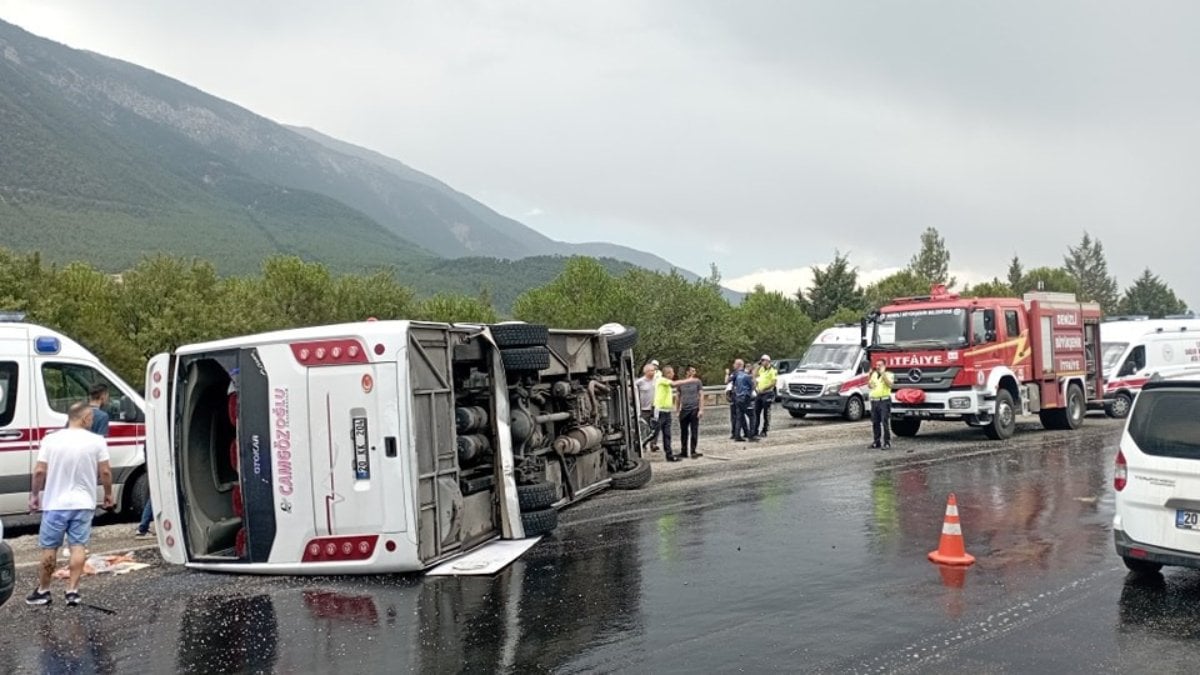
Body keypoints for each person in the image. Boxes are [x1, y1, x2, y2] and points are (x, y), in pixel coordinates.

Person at [27, 401, 113, 607]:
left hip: (55, 504)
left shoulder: (50, 440)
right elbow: (106, 472)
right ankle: (72, 591)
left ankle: (44, 591)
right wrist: (108, 494)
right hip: (83, 503)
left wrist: (34, 495)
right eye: (91, 418)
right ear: (84, 418)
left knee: (49, 548)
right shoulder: (97, 441)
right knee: (78, 546)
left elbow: (39, 471)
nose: (93, 421)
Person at [676, 366, 705, 459]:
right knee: (683, 432)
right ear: (687, 372)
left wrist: (701, 409)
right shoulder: (681, 383)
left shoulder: (697, 382)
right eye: (692, 370)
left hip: (694, 409)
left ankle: (693, 451)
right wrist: (677, 410)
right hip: (684, 410)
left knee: (694, 431)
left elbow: (701, 395)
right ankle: (683, 451)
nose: (694, 372)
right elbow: (678, 397)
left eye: (694, 370)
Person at [654, 366, 681, 462]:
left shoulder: (666, 382)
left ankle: (669, 455)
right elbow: (674, 384)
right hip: (659, 412)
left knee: (667, 434)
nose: (673, 374)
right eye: (672, 372)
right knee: (653, 434)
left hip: (667, 412)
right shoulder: (662, 380)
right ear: (668, 374)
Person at [868, 359, 896, 450]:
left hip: (884, 400)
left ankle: (887, 442)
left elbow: (890, 385)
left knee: (884, 422)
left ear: (884, 366)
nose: (878, 367)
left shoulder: (889, 374)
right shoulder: (874, 375)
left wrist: (883, 375)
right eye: (877, 365)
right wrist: (869, 376)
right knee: (875, 422)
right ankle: (877, 441)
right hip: (874, 400)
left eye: (880, 365)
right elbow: (870, 385)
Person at [730, 359, 759, 442]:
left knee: (739, 417)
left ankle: (737, 435)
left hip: (738, 398)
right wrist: (753, 376)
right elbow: (753, 386)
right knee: (752, 416)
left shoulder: (738, 375)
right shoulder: (747, 376)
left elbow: (734, 385)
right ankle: (751, 435)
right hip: (746, 398)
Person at [636, 363, 660, 452]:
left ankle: (653, 444)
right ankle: (643, 444)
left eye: (654, 370)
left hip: (654, 408)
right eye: (651, 370)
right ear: (645, 371)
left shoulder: (657, 381)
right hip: (644, 409)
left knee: (655, 427)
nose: (653, 372)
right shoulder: (640, 382)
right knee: (644, 427)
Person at [754, 355, 778, 437]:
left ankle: (764, 430)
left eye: (763, 361)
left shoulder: (772, 370)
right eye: (761, 361)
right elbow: (757, 377)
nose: (762, 363)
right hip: (759, 393)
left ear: (768, 361)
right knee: (756, 412)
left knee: (766, 413)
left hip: (767, 393)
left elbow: (773, 383)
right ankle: (755, 430)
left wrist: (764, 388)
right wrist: (756, 385)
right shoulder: (761, 369)